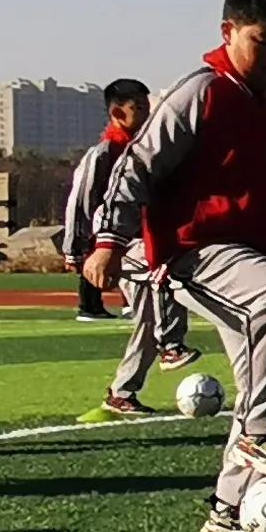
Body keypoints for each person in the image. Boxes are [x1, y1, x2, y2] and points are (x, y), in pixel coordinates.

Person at [111, 0, 266, 532]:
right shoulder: (200, 92)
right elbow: (137, 167)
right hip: (195, 253)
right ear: (227, 32)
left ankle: (228, 509)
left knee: (260, 376)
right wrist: (110, 241)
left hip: (252, 259)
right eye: (264, 40)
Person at [66, 82, 183, 417]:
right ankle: (171, 344)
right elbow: (81, 202)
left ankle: (122, 393)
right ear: (118, 113)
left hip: (139, 243)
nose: (147, 117)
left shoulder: (145, 153)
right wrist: (76, 250)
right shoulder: (103, 154)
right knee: (164, 268)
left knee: (146, 319)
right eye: (140, 110)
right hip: (115, 249)